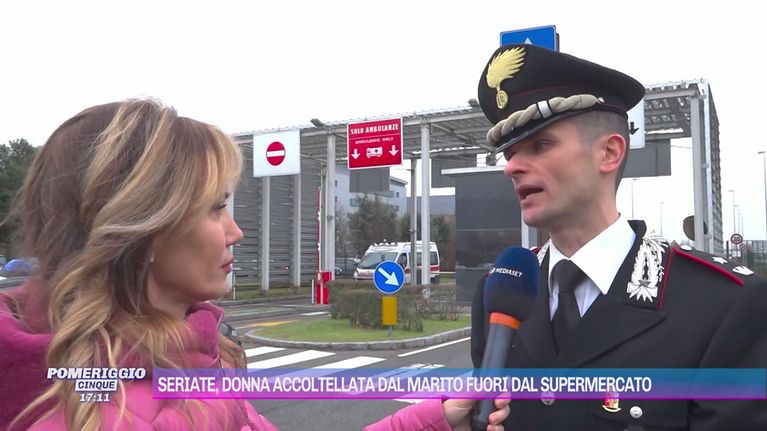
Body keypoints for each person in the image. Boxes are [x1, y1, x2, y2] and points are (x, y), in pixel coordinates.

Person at [0, 98, 509, 431]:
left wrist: (433, 418)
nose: (236, 232)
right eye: (216, 208)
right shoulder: (105, 412)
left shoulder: (190, 362)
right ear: (142, 229)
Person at [470, 44, 767, 430]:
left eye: (540, 145)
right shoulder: (501, 292)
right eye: (510, 153)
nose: (512, 168)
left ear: (609, 153)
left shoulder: (723, 303)